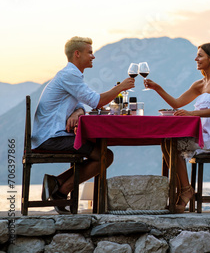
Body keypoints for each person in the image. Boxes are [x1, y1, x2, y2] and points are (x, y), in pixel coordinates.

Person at [32, 36, 135, 214]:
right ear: (77, 54)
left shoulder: (70, 75)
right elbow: (95, 101)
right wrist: (120, 87)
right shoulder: (69, 74)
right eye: (90, 52)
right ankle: (61, 192)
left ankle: (57, 183)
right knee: (104, 156)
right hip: (50, 138)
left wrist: (77, 111)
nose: (93, 56)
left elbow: (80, 101)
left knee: (104, 154)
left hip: (51, 134)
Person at [145, 42, 210, 213]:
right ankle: (184, 189)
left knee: (175, 144)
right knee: (166, 141)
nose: (196, 58)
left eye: (200, 55)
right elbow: (177, 103)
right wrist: (157, 88)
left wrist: (191, 114)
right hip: (202, 132)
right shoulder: (199, 84)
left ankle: (185, 191)